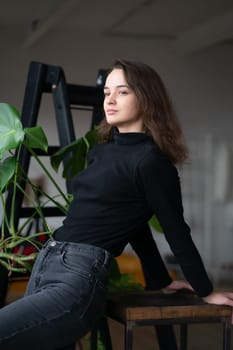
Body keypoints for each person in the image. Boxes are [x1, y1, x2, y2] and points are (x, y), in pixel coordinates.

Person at [0, 59, 232, 350]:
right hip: (47, 263)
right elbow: (135, 226)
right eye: (107, 92)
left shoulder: (152, 163)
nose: (109, 99)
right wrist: (159, 278)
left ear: (147, 98)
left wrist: (205, 290)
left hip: (77, 277)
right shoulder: (100, 152)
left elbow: (176, 231)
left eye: (121, 92)